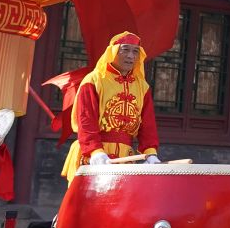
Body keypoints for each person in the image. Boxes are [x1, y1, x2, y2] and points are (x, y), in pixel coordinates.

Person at [62, 33, 159, 176]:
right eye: (125, 50)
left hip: (126, 159)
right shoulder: (94, 80)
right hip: (94, 157)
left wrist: (150, 153)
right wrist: (95, 152)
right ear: (112, 51)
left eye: (135, 51)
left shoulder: (142, 87)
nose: (131, 56)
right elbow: (86, 120)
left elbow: (148, 125)